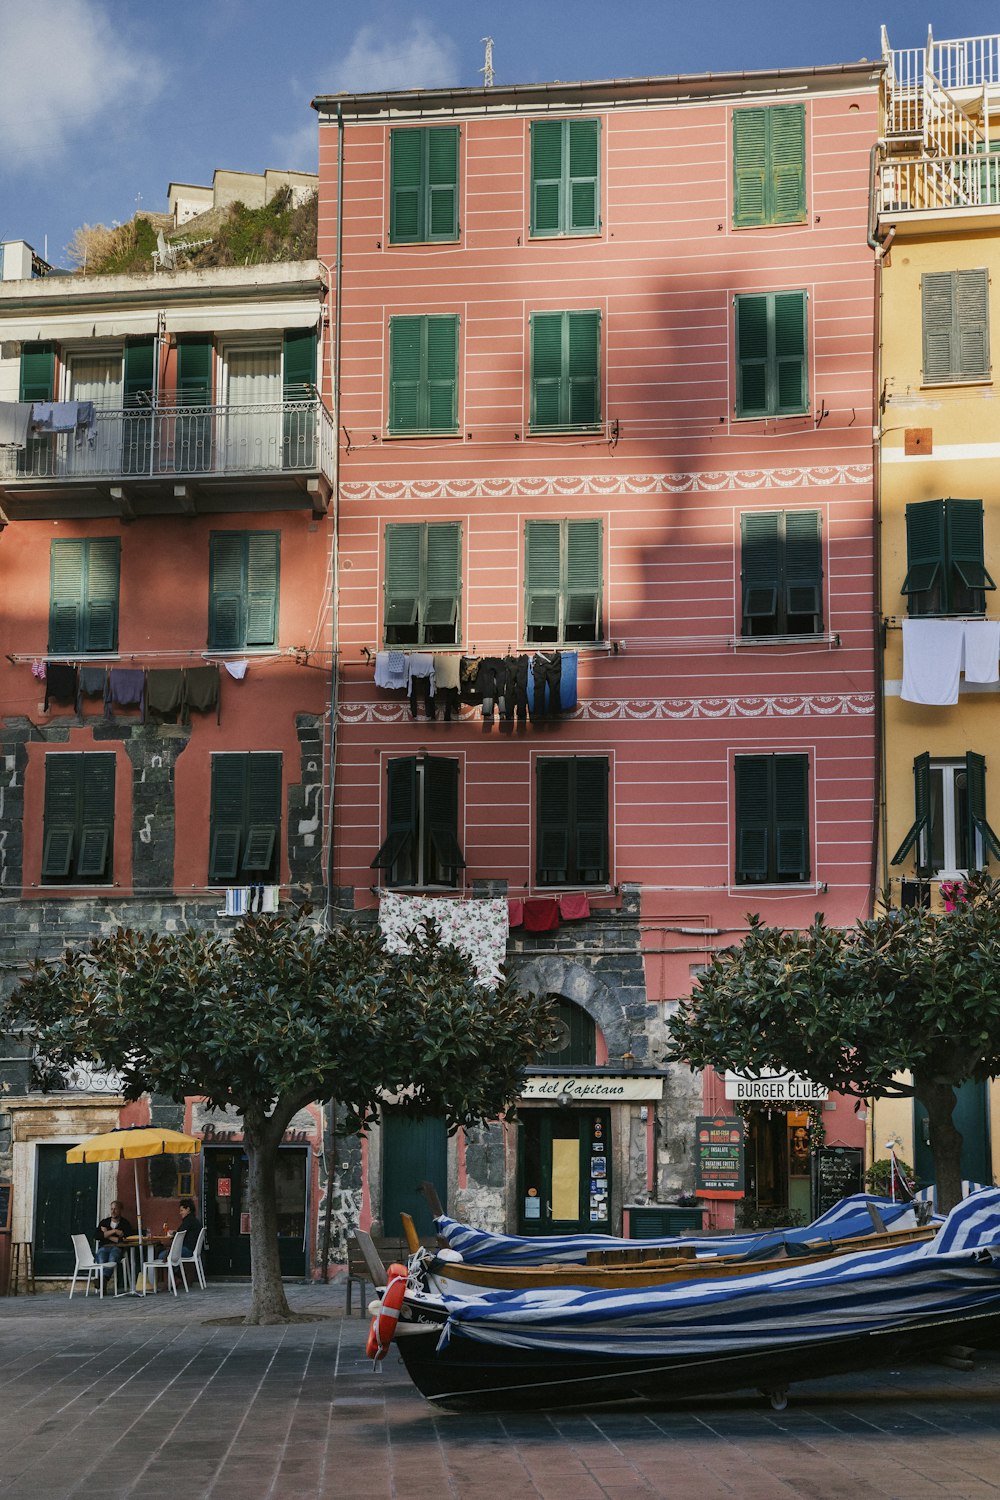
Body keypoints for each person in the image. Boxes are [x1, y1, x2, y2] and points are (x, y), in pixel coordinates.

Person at [95, 1200, 134, 1280]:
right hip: (104, 1247)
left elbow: (123, 1240)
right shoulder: (104, 1222)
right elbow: (97, 1236)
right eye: (112, 1209)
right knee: (101, 1259)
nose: (113, 1211)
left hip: (117, 1248)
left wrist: (106, 1234)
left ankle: (102, 1280)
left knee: (112, 1259)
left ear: (120, 1210)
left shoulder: (125, 1224)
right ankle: (104, 1280)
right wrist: (114, 1231)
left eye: (115, 1209)